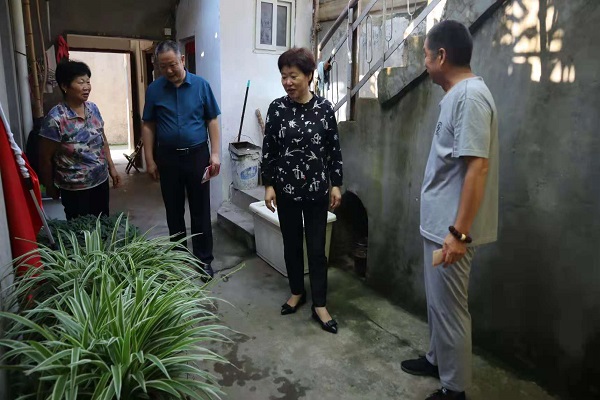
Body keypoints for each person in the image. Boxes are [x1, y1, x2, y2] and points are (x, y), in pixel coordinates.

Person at [400, 20, 499, 400]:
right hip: (439, 226)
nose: (424, 64)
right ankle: (437, 359)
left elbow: (478, 168)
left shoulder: (471, 97)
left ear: (441, 56)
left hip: (451, 232)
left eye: (426, 56)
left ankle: (455, 390)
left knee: (451, 309)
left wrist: (459, 233)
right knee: (437, 304)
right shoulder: (458, 95)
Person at [261, 47, 343, 334]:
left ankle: (320, 303)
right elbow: (269, 149)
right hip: (286, 190)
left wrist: (336, 184)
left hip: (318, 190)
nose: (287, 82)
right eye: (284, 76)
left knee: (317, 249)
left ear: (309, 76)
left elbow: (333, 150)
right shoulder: (277, 109)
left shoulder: (324, 109)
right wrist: (269, 184)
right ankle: (297, 291)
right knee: (292, 244)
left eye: (293, 76)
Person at [142, 40, 221, 280]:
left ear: (182, 60)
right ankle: (178, 260)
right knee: (173, 210)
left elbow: (212, 120)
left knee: (200, 210)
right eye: (163, 66)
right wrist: (149, 159)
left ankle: (204, 260)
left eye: (173, 64)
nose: (168, 70)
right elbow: (148, 125)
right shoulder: (154, 89)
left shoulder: (201, 86)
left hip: (197, 156)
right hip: (168, 158)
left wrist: (215, 153)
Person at [39, 60, 121, 220]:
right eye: (81, 82)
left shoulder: (93, 108)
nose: (86, 87)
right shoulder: (55, 119)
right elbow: (44, 158)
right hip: (74, 189)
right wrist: (50, 186)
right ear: (65, 86)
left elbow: (102, 140)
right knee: (81, 229)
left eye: (88, 82)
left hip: (100, 182)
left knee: (102, 225)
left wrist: (111, 168)